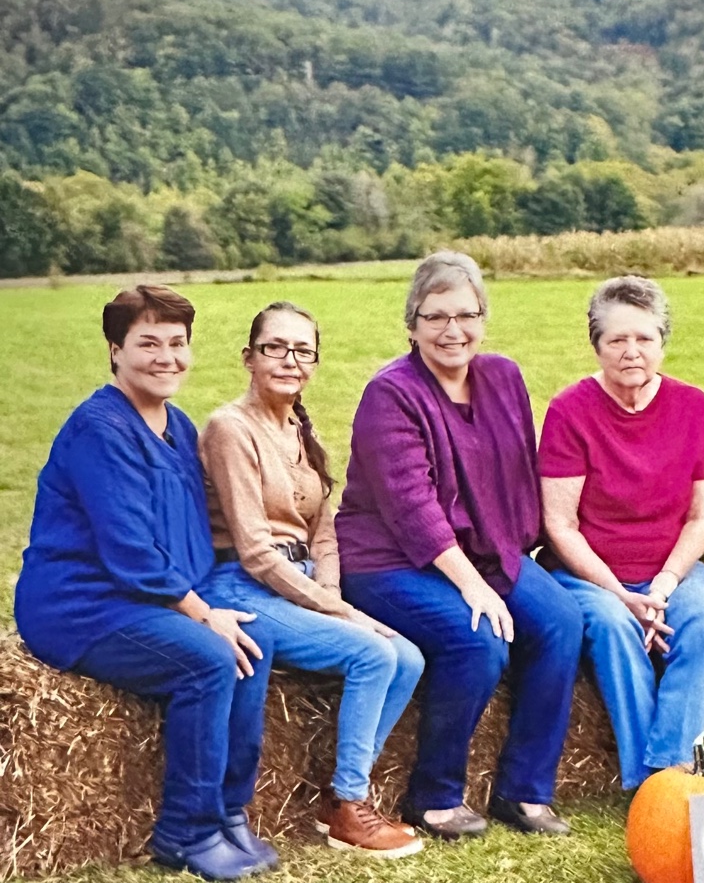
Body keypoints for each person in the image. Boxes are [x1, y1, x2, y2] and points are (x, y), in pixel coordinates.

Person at [14, 286, 277, 879]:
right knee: (209, 660)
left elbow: (187, 532)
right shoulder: (100, 428)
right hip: (82, 604)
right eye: (148, 343)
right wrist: (201, 615)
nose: (166, 357)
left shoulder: (178, 425)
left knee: (252, 650)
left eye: (178, 344)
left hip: (149, 597)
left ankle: (229, 812)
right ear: (115, 351)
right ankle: (185, 834)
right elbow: (130, 549)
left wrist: (214, 604)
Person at [336, 251, 583, 839]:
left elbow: (520, 471)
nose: (453, 331)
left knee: (562, 621)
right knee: (478, 641)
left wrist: (516, 558)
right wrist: (473, 585)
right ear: (413, 323)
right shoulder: (390, 394)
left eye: (466, 315)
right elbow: (412, 509)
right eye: (436, 317)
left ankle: (525, 791)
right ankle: (434, 794)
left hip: (486, 549)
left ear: (483, 318)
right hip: (388, 560)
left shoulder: (503, 377)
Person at [199, 301, 424, 857]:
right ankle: (351, 806)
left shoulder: (301, 428)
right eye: (276, 347)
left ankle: (337, 799)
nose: (290, 360)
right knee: (373, 654)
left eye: (303, 351)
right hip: (242, 585)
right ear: (249, 358)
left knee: (410, 658)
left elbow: (323, 532)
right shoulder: (231, 428)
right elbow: (255, 551)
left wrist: (332, 595)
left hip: (299, 581)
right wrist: (340, 613)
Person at [539, 275, 704, 791]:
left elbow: (700, 517)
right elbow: (560, 524)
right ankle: (647, 783)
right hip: (592, 576)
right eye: (617, 339)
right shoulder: (569, 410)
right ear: (596, 345)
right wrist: (621, 595)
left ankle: (677, 773)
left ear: (662, 342)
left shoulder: (693, 406)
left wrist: (662, 588)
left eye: (644, 338)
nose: (631, 351)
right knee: (615, 629)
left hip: (673, 572)